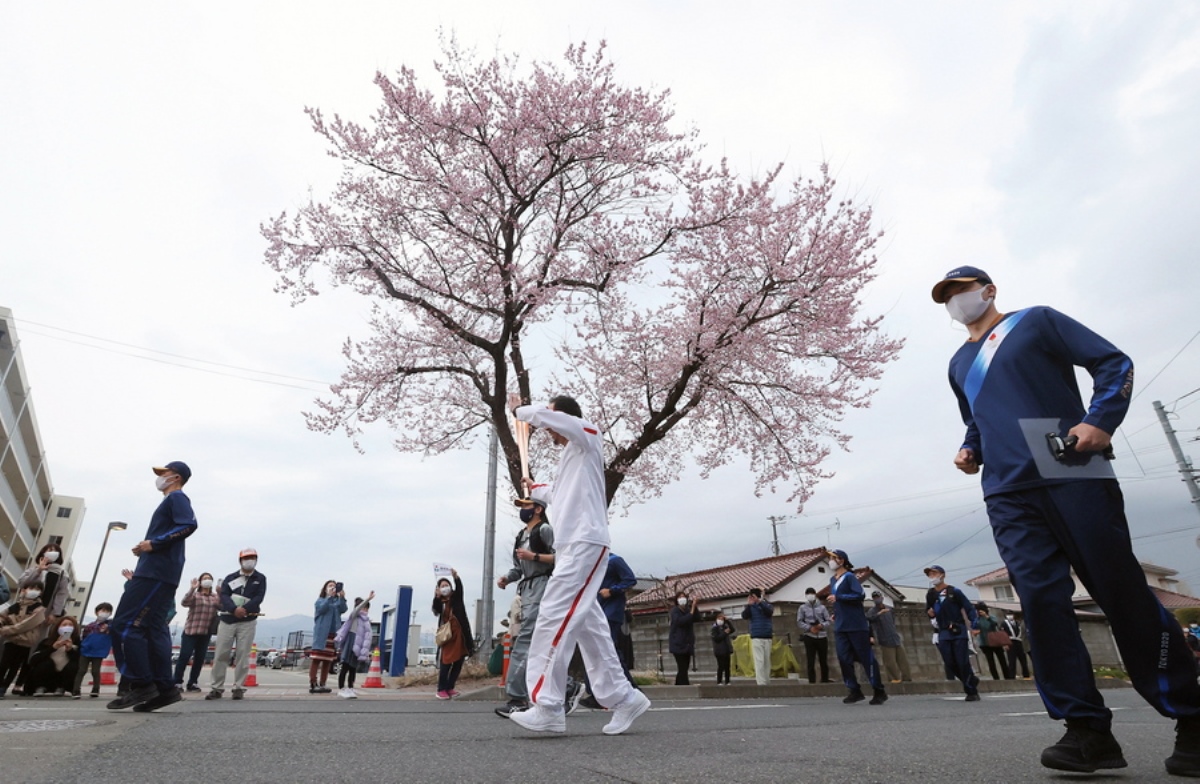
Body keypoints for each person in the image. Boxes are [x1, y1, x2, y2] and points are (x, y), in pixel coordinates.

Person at [934, 266, 1200, 775]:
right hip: (1007, 489)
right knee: (1040, 603)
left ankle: (1192, 716)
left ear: (988, 291)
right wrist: (971, 448)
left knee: (1118, 590)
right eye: (948, 296)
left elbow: (1113, 362)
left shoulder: (1035, 322)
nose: (956, 301)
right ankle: (1086, 730)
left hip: (1068, 464)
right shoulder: (958, 361)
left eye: (963, 291)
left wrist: (1100, 420)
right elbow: (976, 418)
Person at [507, 395, 651, 736]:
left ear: (563, 416)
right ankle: (624, 698)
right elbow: (560, 494)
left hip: (585, 543)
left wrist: (524, 412)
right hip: (574, 544)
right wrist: (536, 490)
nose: (549, 432)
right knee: (590, 627)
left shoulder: (588, 435)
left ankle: (548, 705)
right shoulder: (572, 456)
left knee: (552, 616)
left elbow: (559, 422)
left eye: (552, 422)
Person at [108, 461, 197, 712]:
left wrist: (154, 544)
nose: (160, 477)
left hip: (155, 574)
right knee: (155, 629)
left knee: (125, 625)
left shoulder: (176, 498)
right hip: (161, 570)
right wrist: (146, 547)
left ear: (176, 477)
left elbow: (189, 525)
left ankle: (141, 683)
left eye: (164, 473)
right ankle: (165, 689)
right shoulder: (170, 501)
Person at [495, 485, 555, 717]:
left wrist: (535, 556)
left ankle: (518, 697)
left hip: (543, 588)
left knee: (526, 640)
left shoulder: (545, 530)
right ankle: (568, 687)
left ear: (538, 509)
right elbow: (517, 568)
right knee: (536, 643)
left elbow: (563, 558)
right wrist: (507, 579)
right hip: (526, 590)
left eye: (526, 506)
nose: (522, 510)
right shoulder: (521, 535)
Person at [826, 549, 886, 705]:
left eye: (833, 558)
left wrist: (839, 597)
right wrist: (836, 612)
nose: (830, 561)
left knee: (866, 658)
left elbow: (859, 595)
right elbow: (839, 602)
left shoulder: (850, 577)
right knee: (843, 658)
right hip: (841, 625)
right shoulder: (833, 580)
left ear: (841, 560)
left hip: (856, 625)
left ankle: (878, 690)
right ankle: (854, 689)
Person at [207, 548, 266, 701]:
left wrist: (245, 609)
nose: (250, 560)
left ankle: (239, 687)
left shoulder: (260, 578)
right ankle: (216, 687)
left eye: (253, 558)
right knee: (221, 654)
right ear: (240, 560)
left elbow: (259, 597)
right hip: (228, 620)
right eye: (247, 558)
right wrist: (233, 609)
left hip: (247, 621)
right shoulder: (230, 578)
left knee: (243, 654)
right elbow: (224, 595)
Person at [925, 565, 980, 701]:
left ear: (942, 575)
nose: (932, 577)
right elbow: (929, 611)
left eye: (934, 573)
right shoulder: (931, 594)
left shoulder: (954, 592)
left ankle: (971, 691)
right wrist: (930, 613)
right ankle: (971, 679)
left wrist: (974, 625)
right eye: (930, 574)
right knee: (949, 662)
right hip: (943, 632)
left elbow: (969, 608)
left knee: (962, 661)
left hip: (958, 630)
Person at [0, 580, 47, 698]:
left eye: (37, 589)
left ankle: (4, 687)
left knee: (14, 666)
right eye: (31, 588)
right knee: (3, 664)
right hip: (10, 641)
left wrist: (6, 630)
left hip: (25, 642)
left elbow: (27, 624)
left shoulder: (39, 609)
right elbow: (2, 616)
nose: (33, 591)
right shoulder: (15, 606)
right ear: (24, 590)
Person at [174, 572, 219, 693]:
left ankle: (193, 682)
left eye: (209, 578)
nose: (207, 580)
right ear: (200, 581)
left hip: (205, 632)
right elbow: (184, 602)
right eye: (204, 578)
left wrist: (220, 592)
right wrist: (192, 588)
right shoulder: (195, 595)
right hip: (191, 630)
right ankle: (177, 682)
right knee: (184, 656)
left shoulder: (215, 597)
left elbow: (222, 606)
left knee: (199, 659)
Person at [432, 571, 473, 700]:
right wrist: (436, 597)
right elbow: (436, 610)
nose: (445, 587)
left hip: (460, 634)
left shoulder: (456, 598)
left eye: (447, 584)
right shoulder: (440, 602)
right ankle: (441, 689)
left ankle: (450, 687)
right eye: (442, 585)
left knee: (459, 661)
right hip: (447, 636)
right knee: (446, 662)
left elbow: (460, 588)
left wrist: (456, 578)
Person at [23, 615, 80, 696]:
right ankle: (40, 686)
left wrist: (70, 650)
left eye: (70, 625)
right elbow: (33, 660)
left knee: (72, 666)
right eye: (64, 625)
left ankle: (62, 687)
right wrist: (52, 648)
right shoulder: (47, 642)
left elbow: (79, 662)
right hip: (47, 674)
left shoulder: (78, 643)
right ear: (58, 627)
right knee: (47, 663)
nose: (67, 627)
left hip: (63, 675)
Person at [18, 543, 72, 628]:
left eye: (56, 551)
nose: (53, 552)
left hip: (44, 613)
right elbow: (22, 584)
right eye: (50, 550)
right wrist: (38, 570)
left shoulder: (62, 573)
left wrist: (54, 613)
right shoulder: (33, 569)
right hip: (24, 609)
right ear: (43, 553)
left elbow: (61, 594)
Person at [310, 579, 348, 694]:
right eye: (330, 586)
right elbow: (321, 609)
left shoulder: (336, 602)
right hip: (322, 634)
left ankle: (323, 683)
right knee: (316, 659)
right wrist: (329, 597)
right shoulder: (320, 600)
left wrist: (342, 598)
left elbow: (343, 609)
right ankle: (313, 683)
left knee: (327, 660)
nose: (332, 588)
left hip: (333, 634)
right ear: (325, 588)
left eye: (334, 586)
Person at [866, 590, 912, 683]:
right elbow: (869, 620)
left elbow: (893, 621)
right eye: (875, 598)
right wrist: (879, 614)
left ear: (882, 598)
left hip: (895, 637)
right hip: (884, 639)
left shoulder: (890, 609)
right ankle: (894, 678)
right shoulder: (872, 611)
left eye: (878, 597)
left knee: (903, 660)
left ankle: (907, 678)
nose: (877, 599)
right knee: (890, 662)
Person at [334, 592, 374, 699]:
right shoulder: (354, 616)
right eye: (364, 607)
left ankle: (350, 688)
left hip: (358, 646)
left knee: (353, 668)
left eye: (367, 608)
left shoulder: (366, 621)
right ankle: (341, 688)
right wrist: (368, 598)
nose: (365, 610)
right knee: (345, 667)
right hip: (351, 643)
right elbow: (357, 609)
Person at [73, 602, 114, 698]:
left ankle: (96, 689)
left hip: (98, 651)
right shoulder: (90, 626)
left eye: (108, 611)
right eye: (103, 610)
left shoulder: (110, 625)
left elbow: (115, 627)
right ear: (97, 612)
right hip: (86, 650)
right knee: (81, 670)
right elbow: (84, 637)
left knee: (95, 671)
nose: (105, 613)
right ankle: (76, 690)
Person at [797, 587, 833, 684]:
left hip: (822, 636)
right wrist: (809, 628)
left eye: (812, 594)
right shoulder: (802, 608)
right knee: (810, 660)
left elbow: (828, 620)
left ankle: (825, 679)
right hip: (809, 636)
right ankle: (812, 681)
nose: (810, 596)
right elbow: (800, 622)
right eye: (808, 594)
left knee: (823, 660)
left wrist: (821, 626)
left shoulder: (822, 607)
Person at [741, 588, 774, 686]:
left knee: (767, 660)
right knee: (759, 660)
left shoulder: (767, 604)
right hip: (756, 636)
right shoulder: (750, 607)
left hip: (767, 635)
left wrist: (759, 602)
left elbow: (769, 612)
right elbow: (744, 616)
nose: (753, 598)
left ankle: (767, 681)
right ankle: (761, 683)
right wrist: (749, 604)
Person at [668, 592, 701, 686]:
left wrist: (695, 606)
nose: (682, 599)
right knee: (682, 667)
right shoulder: (675, 611)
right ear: (676, 600)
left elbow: (697, 618)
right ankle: (685, 686)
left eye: (684, 597)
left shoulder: (687, 610)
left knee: (685, 667)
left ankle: (678, 685)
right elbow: (680, 621)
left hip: (687, 643)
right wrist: (692, 610)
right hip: (677, 643)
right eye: (680, 597)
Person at [974, 602, 1013, 680]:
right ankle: (996, 678)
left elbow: (994, 624)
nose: (979, 612)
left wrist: (986, 616)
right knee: (991, 662)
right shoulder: (977, 620)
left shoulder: (991, 617)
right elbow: (974, 627)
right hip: (984, 643)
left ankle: (1008, 677)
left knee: (1002, 660)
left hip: (995, 641)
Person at [1002, 612, 1031, 679]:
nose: (1011, 616)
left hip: (1019, 642)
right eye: (1009, 614)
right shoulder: (1004, 623)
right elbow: (1002, 633)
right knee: (1012, 661)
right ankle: (1012, 676)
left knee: (1023, 660)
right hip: (1010, 642)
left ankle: (1026, 675)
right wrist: (1005, 644)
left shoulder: (1017, 623)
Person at [710, 613, 735, 686]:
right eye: (719, 618)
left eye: (722, 619)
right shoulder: (714, 628)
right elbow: (717, 638)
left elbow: (732, 629)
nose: (721, 620)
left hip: (727, 649)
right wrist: (724, 633)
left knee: (727, 666)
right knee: (721, 666)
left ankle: (727, 681)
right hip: (719, 650)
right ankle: (719, 681)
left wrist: (728, 621)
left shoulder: (725, 626)